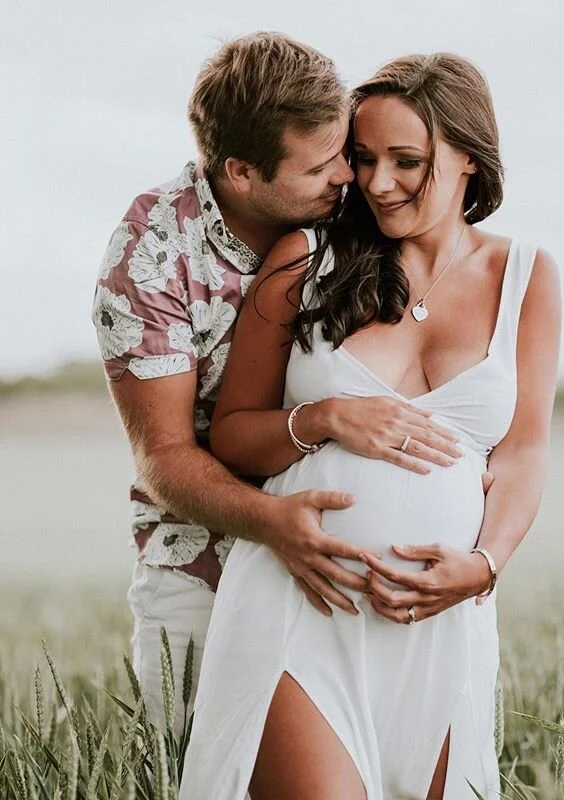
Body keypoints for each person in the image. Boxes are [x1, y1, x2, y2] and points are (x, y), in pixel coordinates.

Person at [179, 52, 561, 799]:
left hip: (439, 627)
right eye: (363, 158)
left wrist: (484, 565)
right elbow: (232, 435)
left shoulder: (528, 277)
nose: (377, 183)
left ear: (470, 160)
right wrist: (323, 417)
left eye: (406, 161)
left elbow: (523, 453)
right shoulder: (306, 258)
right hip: (303, 610)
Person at [92, 33, 462, 735]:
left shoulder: (362, 207)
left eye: (344, 153)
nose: (350, 178)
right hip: (204, 564)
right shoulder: (150, 257)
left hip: (357, 576)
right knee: (197, 764)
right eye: (323, 166)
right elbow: (164, 455)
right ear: (240, 173)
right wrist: (272, 523)